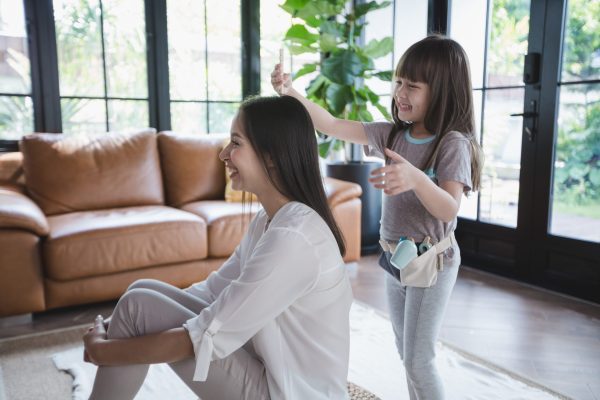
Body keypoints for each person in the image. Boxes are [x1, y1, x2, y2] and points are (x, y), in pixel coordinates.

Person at [82, 95, 354, 400]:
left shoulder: (294, 238)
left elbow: (203, 337)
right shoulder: (270, 220)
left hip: (288, 394)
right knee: (139, 294)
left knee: (142, 309)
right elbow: (212, 293)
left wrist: (106, 351)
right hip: (270, 374)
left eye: (236, 143)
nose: (224, 153)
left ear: (271, 156)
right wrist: (115, 325)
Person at [271, 34, 483, 399]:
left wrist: (415, 178)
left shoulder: (453, 143)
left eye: (412, 85)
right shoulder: (393, 135)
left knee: (419, 360)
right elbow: (332, 125)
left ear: (443, 91)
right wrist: (290, 93)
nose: (400, 91)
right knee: (407, 354)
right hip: (396, 259)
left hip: (433, 263)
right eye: (399, 82)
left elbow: (448, 208)